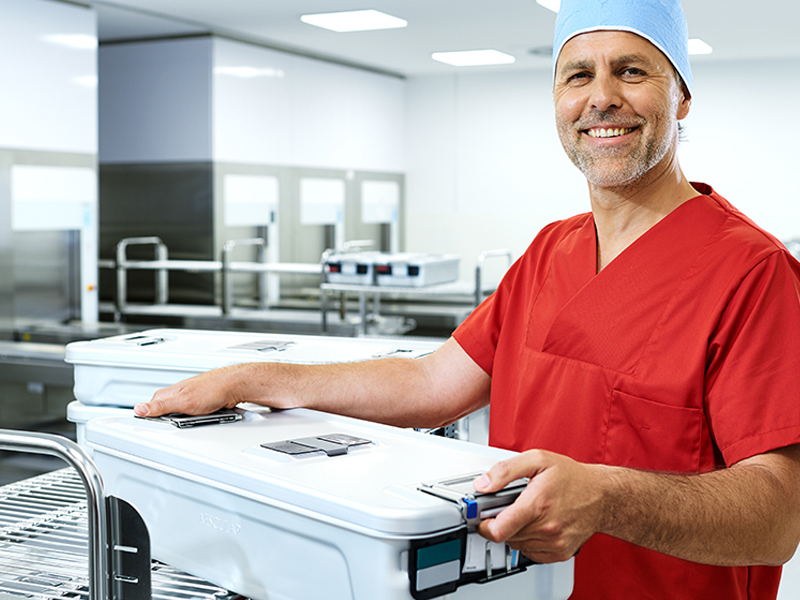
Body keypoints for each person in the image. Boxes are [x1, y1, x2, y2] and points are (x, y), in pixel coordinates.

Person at [134, 0, 800, 597]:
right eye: (577, 75)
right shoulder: (550, 250)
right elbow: (432, 383)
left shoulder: (753, 272)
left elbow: (779, 518)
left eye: (631, 71)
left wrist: (608, 498)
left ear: (681, 97)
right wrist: (256, 379)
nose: (601, 97)